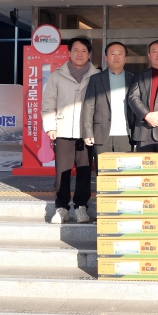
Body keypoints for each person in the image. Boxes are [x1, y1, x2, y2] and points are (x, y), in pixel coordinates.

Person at [42, 36, 99, 224]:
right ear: (69, 52)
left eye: (84, 50)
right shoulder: (57, 75)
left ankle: (81, 207)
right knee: (62, 172)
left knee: (84, 172)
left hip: (86, 132)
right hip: (63, 130)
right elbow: (49, 102)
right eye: (76, 50)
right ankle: (62, 208)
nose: (80, 54)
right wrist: (50, 126)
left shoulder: (97, 75)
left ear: (89, 54)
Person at [81, 41, 134, 173]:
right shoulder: (96, 79)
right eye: (112, 54)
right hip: (102, 135)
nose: (116, 57)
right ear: (106, 57)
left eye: (120, 54)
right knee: (104, 175)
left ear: (125, 58)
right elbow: (88, 105)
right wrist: (88, 132)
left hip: (126, 135)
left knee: (125, 174)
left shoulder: (133, 79)